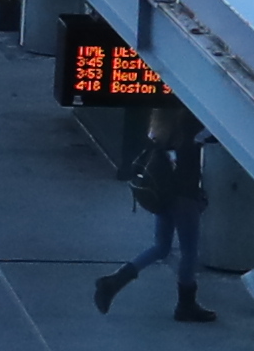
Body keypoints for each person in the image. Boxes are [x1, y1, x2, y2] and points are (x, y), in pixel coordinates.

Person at [92, 110, 215, 324]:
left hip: (162, 191)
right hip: (184, 194)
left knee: (161, 247)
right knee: (189, 252)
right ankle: (186, 304)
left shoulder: (160, 124)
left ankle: (115, 281)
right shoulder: (192, 125)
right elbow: (215, 136)